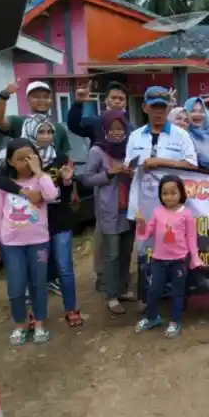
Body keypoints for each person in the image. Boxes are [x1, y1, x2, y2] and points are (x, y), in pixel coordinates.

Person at [124, 86, 198, 310]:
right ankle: (148, 299)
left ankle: (175, 299)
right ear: (145, 107)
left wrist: (162, 162)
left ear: (168, 108)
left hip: (173, 209)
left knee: (174, 250)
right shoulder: (136, 136)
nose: (158, 112)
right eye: (154, 107)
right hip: (142, 206)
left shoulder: (181, 135)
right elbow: (129, 165)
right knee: (146, 253)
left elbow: (192, 164)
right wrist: (129, 169)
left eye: (162, 107)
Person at [0, 139, 59, 345]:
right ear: (10, 161)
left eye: (30, 157)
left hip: (38, 242)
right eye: (21, 159)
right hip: (11, 245)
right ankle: (20, 324)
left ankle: (39, 323)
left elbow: (52, 195)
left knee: (39, 284)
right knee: (16, 287)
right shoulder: (4, 186)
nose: (26, 162)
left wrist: (39, 172)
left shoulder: (41, 180)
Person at [68, 80, 131, 293]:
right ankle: (103, 277)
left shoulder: (128, 125)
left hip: (125, 191)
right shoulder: (96, 123)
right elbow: (74, 125)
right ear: (106, 100)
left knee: (123, 241)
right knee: (104, 237)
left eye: (121, 99)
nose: (117, 102)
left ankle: (120, 282)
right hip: (105, 188)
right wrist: (78, 104)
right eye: (113, 98)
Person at [134, 175, 205, 338]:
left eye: (173, 192)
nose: (169, 196)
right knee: (153, 290)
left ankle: (175, 321)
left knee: (177, 293)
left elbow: (191, 238)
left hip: (179, 261)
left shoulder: (187, 214)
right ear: (160, 195)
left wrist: (195, 258)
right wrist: (141, 223)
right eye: (165, 193)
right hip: (158, 260)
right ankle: (152, 318)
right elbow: (146, 234)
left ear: (181, 193)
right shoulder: (157, 212)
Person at [81, 111, 135, 315]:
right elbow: (86, 179)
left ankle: (122, 289)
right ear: (104, 130)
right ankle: (111, 296)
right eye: (112, 129)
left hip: (128, 209)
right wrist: (109, 173)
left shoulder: (128, 148)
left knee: (125, 252)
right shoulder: (98, 151)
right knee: (111, 254)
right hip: (109, 210)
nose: (117, 133)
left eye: (120, 129)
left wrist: (130, 172)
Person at [0, 81, 70, 155]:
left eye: (46, 97)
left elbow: (65, 157)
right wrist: (4, 95)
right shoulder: (19, 122)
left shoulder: (59, 128)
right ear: (27, 100)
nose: (42, 100)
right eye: (36, 97)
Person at [183, 96, 209, 170]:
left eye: (201, 111)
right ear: (186, 114)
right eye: (193, 111)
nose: (198, 114)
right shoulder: (183, 133)